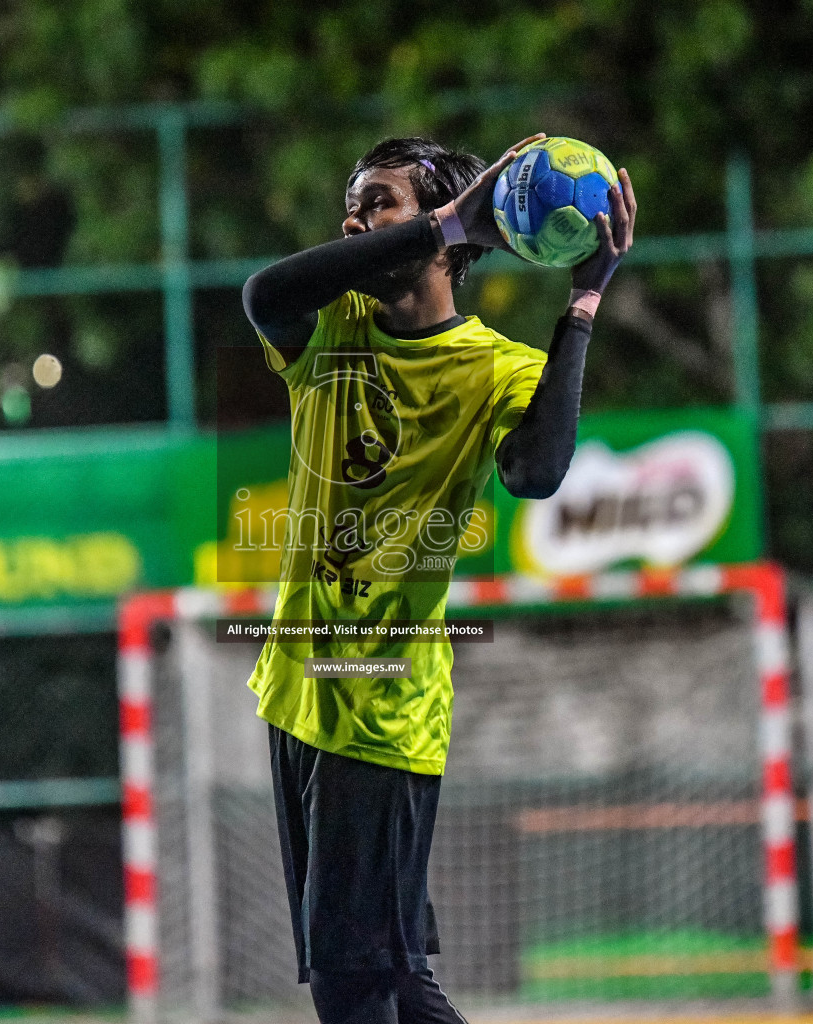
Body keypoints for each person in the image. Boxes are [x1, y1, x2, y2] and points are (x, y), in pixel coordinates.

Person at [240, 134, 636, 1024]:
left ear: (455, 238)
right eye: (356, 205)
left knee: (357, 983)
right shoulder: (328, 328)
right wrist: (443, 222)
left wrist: (583, 297)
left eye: (381, 201)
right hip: (297, 698)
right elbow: (263, 294)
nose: (356, 220)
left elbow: (536, 472)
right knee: (388, 980)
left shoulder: (498, 370)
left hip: (382, 709)